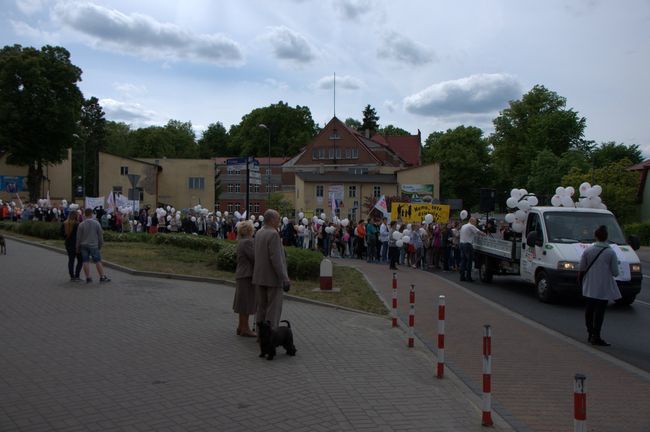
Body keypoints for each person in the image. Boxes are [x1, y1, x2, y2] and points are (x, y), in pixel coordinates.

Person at [580, 225, 620, 347]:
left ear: (595, 236)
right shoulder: (610, 252)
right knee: (600, 312)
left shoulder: (588, 251)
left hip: (590, 285)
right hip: (603, 287)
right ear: (606, 237)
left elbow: (582, 268)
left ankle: (590, 332)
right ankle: (596, 336)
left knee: (589, 310)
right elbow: (615, 272)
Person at [253, 209, 290, 329]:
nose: (279, 222)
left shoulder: (259, 232)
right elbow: (277, 259)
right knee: (273, 309)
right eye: (278, 219)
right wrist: (284, 278)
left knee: (261, 308)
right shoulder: (273, 234)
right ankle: (270, 335)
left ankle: (260, 334)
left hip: (259, 276)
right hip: (272, 279)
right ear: (272, 220)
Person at [233, 220, 257, 337]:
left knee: (243, 302)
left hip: (242, 274)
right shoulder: (247, 242)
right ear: (249, 230)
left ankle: (240, 326)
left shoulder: (241, 241)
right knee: (246, 303)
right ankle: (245, 328)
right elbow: (254, 257)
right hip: (246, 275)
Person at [76, 207, 111, 283]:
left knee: (85, 261)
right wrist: (100, 245)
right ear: (92, 214)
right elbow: (100, 236)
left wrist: (77, 247)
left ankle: (88, 277)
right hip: (94, 245)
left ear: (85, 214)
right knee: (98, 261)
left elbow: (78, 238)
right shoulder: (96, 223)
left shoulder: (81, 224)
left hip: (83, 245)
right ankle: (102, 277)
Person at [459, 217, 485, 282]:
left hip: (462, 244)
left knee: (463, 261)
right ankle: (468, 277)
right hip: (467, 245)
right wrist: (485, 234)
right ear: (472, 221)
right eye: (475, 222)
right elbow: (479, 232)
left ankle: (462, 277)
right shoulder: (471, 226)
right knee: (469, 261)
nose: (476, 223)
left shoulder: (463, 226)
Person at [62, 210, 83, 282]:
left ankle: (72, 276)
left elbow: (61, 234)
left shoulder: (65, 223)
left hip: (68, 244)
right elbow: (81, 235)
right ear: (76, 216)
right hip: (77, 245)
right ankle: (77, 275)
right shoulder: (78, 224)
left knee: (71, 260)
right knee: (80, 260)